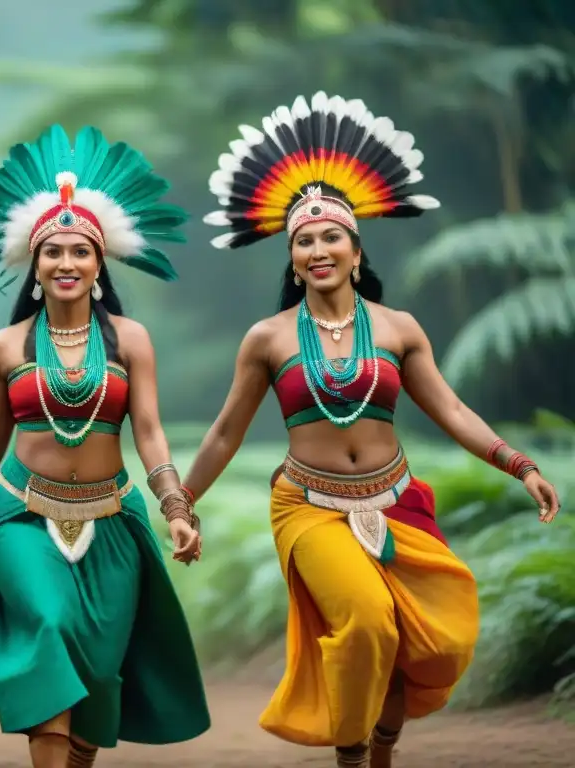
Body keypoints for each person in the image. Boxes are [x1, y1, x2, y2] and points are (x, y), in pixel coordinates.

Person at [183, 91, 561, 768]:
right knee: (365, 620)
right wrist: (181, 502)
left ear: (357, 251)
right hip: (308, 507)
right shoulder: (267, 338)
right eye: (304, 240)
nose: (318, 247)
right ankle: (353, 755)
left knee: (430, 644)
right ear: (292, 259)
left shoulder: (398, 329)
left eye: (332, 236)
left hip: (395, 502)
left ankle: (379, 749)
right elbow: (221, 435)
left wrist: (519, 463)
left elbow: (449, 409)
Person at [0, 124, 211, 767]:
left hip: (114, 520)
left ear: (100, 264)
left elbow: (148, 432)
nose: (66, 262)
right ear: (34, 265)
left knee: (98, 674)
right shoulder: (5, 346)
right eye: (53, 252)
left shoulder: (131, 340)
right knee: (49, 628)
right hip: (20, 516)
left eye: (79, 251)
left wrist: (176, 508)